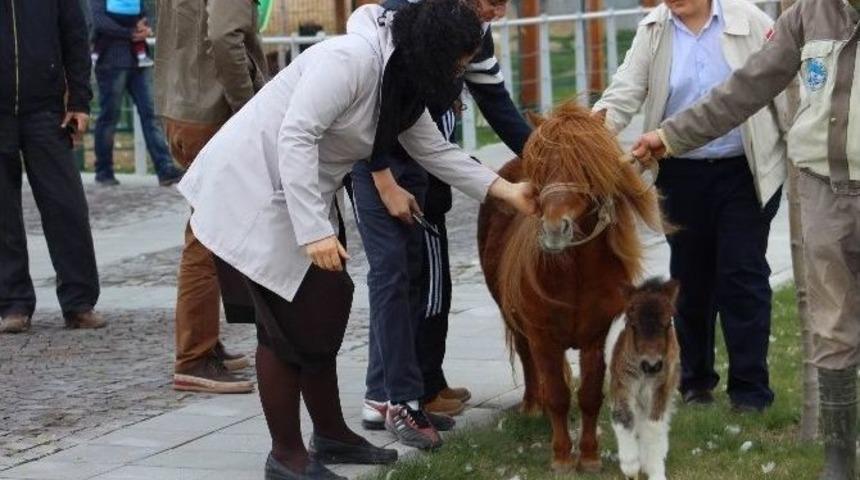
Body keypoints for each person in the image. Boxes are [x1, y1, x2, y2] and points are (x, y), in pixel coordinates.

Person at [177, 1, 537, 475]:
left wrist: (506, 190)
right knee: (283, 333)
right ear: (434, 50)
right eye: (459, 61)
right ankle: (286, 458)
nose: (460, 72)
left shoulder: (402, 81)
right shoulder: (350, 59)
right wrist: (314, 233)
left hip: (297, 196)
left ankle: (330, 436)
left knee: (323, 312)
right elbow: (296, 137)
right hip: (252, 193)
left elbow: (435, 150)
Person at [632, 0, 859, 476]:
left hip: (788, 179)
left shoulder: (758, 17)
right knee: (834, 322)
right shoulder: (807, 16)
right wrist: (670, 136)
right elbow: (742, 91)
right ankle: (839, 459)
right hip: (824, 191)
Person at [593, 0, 789, 413]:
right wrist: (589, 135)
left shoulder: (749, 20)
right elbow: (624, 91)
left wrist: (796, 146)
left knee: (743, 275)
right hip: (681, 174)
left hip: (744, 172)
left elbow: (784, 83)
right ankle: (695, 382)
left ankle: (750, 391)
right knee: (690, 282)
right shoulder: (654, 30)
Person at [353, 0, 533, 446]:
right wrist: (380, 177)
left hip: (420, 157)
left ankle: (404, 391)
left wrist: (542, 155)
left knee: (411, 276)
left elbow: (489, 102)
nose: (501, 13)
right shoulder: (398, 27)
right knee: (394, 274)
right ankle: (400, 395)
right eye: (492, 3)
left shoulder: (470, 33)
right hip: (379, 160)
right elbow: (377, 107)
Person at [154, 0, 268, 394]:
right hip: (210, 111)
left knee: (210, 232)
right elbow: (223, 36)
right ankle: (194, 357)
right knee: (206, 236)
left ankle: (203, 342)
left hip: (182, 104)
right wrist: (250, 107)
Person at [0, 0, 104, 333]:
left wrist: (79, 101)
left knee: (67, 207)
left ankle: (79, 301)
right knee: (2, 214)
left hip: (47, 109)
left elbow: (75, 35)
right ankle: (12, 304)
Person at [91, 0, 183, 187]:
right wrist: (131, 32)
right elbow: (98, 19)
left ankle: (165, 168)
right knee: (109, 117)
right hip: (111, 62)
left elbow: (147, 12)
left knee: (151, 115)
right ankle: (104, 170)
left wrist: (146, 27)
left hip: (139, 62)